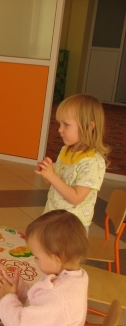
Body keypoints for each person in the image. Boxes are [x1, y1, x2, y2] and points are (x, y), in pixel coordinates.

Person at [36, 93, 109, 231]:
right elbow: (52, 184)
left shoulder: (93, 162)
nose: (60, 129)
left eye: (66, 125)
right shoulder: (66, 150)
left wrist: (52, 176)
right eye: (60, 124)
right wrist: (47, 173)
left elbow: (75, 198)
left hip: (71, 228)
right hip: (53, 217)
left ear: (88, 126)